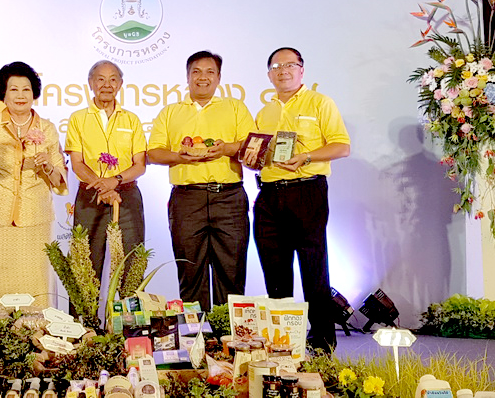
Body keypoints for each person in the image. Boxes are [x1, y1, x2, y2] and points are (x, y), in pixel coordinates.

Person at [248, 47, 350, 352]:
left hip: (307, 191)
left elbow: (342, 146)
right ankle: (284, 345)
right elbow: (259, 155)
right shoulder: (264, 112)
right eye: (276, 67)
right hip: (268, 195)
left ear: (301, 70)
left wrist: (306, 155)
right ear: (269, 75)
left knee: (314, 270)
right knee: (274, 272)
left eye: (290, 65)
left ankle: (322, 346)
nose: (283, 71)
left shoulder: (320, 102)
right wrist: (252, 159)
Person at [148, 51, 254, 312]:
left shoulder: (235, 108)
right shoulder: (170, 112)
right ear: (187, 77)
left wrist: (226, 148)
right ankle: (195, 340)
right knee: (189, 269)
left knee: (231, 271)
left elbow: (252, 145)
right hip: (187, 198)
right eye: (196, 71)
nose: (202, 77)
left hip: (228, 197)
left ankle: (228, 340)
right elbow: (153, 152)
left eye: (209, 72)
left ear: (219, 77)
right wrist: (179, 156)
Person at [0, 61, 67, 310]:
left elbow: (60, 178)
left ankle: (34, 337)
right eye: (13, 89)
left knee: (34, 278)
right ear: (3, 93)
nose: (20, 95)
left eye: (26, 89)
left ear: (34, 93)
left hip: (34, 213)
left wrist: (48, 167)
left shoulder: (48, 129)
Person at [65, 60, 147, 285]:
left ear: (120, 84)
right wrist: (103, 186)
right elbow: (77, 163)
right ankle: (83, 320)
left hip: (126, 196)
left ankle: (129, 320)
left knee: (131, 262)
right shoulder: (78, 119)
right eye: (100, 79)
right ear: (91, 83)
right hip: (90, 196)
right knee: (85, 264)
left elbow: (140, 165)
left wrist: (115, 181)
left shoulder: (132, 120)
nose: (107, 85)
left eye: (113, 79)